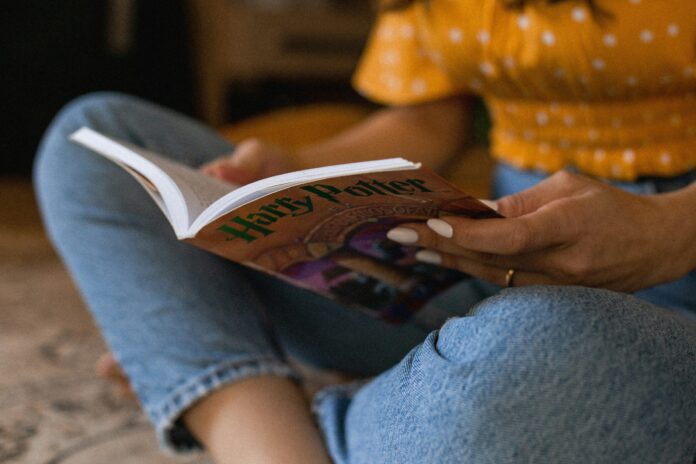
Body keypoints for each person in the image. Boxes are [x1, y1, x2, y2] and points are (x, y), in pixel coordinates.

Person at [34, 0, 695, 462]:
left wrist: (669, 230)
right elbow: (433, 116)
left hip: (661, 304)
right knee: (94, 139)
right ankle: (274, 442)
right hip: (494, 264)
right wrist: (297, 170)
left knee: (545, 355)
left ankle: (237, 393)